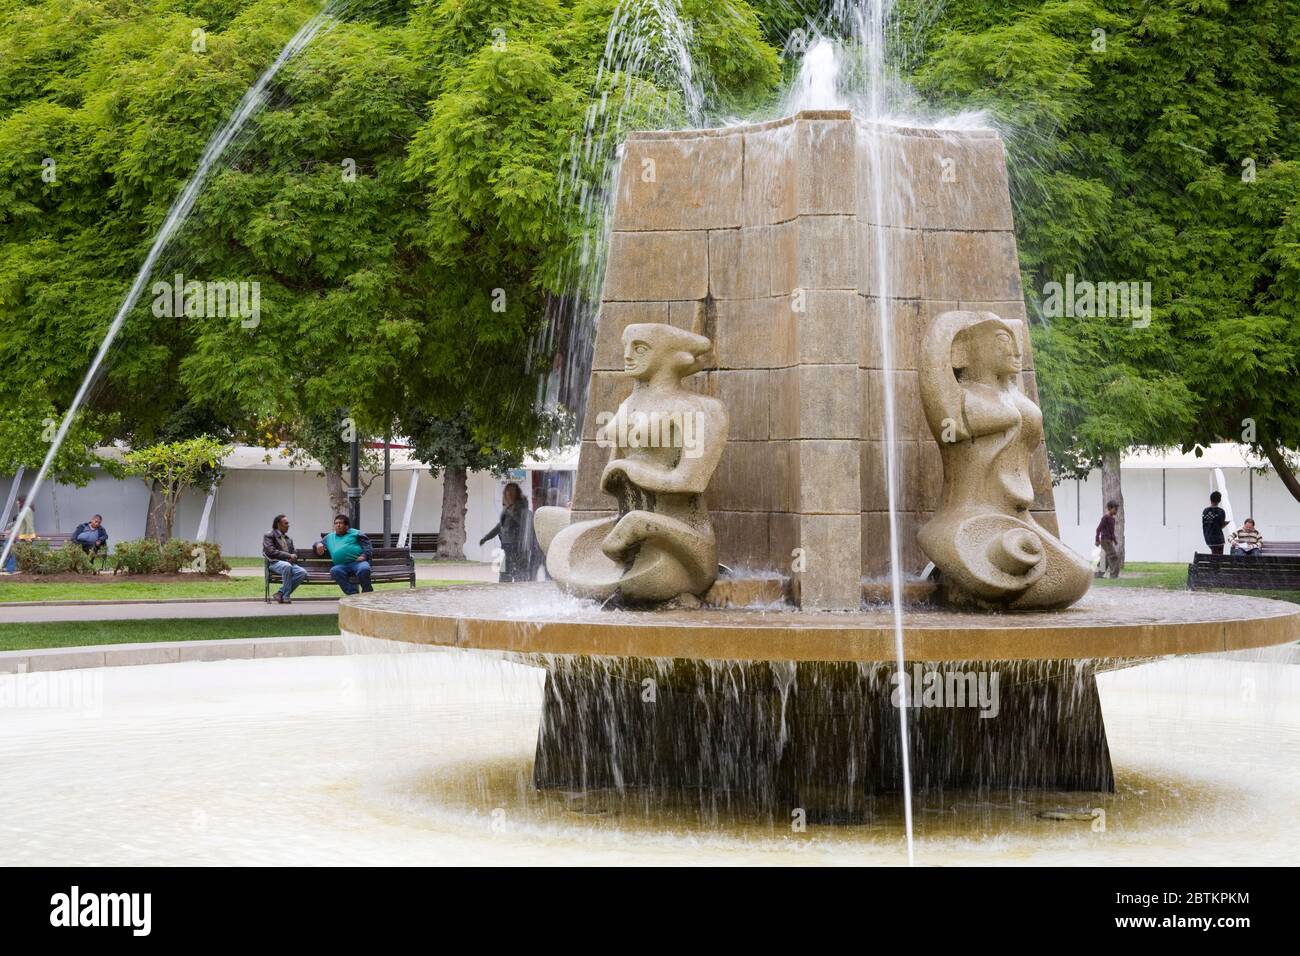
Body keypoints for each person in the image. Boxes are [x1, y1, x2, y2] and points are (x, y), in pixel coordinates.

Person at [480, 482, 530, 582]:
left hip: (518, 545)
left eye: (511, 492)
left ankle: (520, 591)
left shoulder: (521, 507)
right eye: (507, 492)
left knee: (519, 573)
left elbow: (524, 524)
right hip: (507, 544)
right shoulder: (508, 507)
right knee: (504, 574)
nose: (508, 494)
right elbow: (500, 526)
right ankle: (504, 591)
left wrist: (512, 515)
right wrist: (486, 537)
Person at [314, 514, 373, 595]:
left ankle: (367, 593)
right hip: (342, 566)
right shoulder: (329, 537)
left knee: (364, 569)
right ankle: (353, 594)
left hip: (358, 563)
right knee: (334, 571)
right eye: (336, 523)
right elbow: (316, 543)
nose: (338, 525)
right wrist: (318, 544)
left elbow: (368, 546)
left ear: (347, 525)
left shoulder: (356, 533)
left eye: (340, 523)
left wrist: (364, 556)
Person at [263, 514, 309, 603]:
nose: (288, 525)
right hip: (274, 562)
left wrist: (294, 556)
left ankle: (280, 593)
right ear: (278, 525)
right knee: (286, 566)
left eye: (288, 523)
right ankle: (286, 596)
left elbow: (294, 551)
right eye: (286, 523)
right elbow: (270, 551)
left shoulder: (288, 538)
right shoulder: (269, 535)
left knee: (302, 572)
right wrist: (288, 556)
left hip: (288, 563)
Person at [3, 495, 34, 573]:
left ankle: (10, 569)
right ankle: (10, 569)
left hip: (26, 537)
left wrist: (28, 537)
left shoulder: (27, 510)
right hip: (22, 536)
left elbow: (29, 524)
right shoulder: (23, 510)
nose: (17, 502)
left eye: (18, 500)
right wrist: (10, 531)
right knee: (13, 550)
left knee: (14, 551)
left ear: (22, 501)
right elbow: (18, 525)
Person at [1094, 499, 1120, 579]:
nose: (1116, 511)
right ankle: (1113, 575)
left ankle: (1098, 574)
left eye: (1117, 509)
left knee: (1104, 558)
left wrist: (1115, 541)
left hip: (1109, 540)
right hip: (1105, 540)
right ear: (1110, 508)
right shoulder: (1105, 518)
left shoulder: (1112, 519)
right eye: (1115, 509)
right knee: (1113, 557)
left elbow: (1111, 532)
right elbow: (1098, 529)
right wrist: (1097, 539)